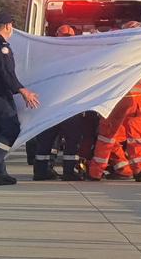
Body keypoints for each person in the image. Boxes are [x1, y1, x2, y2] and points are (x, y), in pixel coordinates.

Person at [0, 11, 40, 185]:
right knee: (12, 129)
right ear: (7, 26)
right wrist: (22, 90)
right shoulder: (1, 46)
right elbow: (5, 72)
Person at [88, 21, 141, 182]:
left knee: (107, 136)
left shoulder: (120, 52)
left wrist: (95, 39)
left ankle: (96, 172)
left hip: (121, 101)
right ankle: (140, 170)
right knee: (135, 138)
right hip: (139, 101)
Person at [33, 25, 86, 181]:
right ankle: (69, 172)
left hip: (50, 105)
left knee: (46, 139)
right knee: (72, 140)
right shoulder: (79, 57)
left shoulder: (47, 55)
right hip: (69, 106)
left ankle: (41, 171)